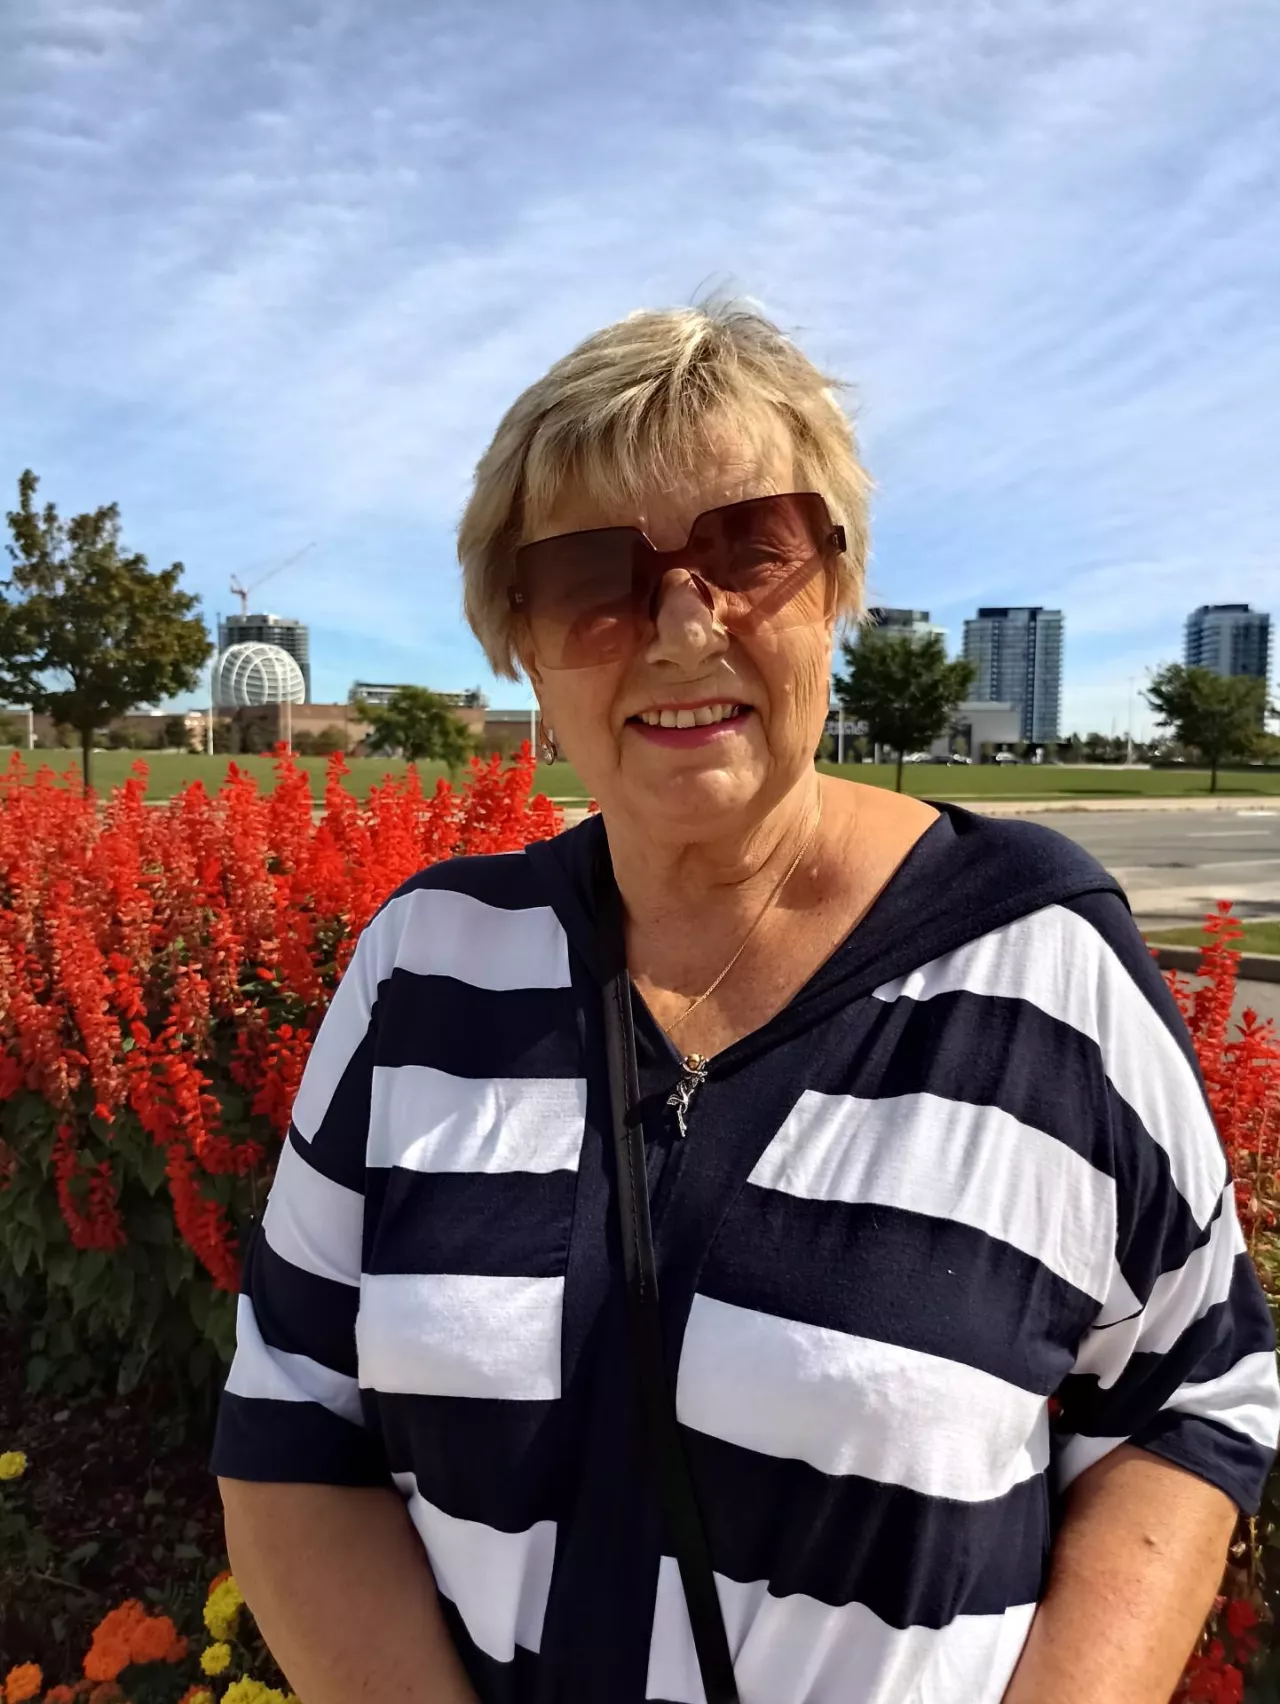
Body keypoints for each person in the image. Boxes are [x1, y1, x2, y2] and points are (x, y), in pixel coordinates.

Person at [214, 303, 1279, 1704]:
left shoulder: (1035, 963)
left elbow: (1188, 1396)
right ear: (522, 639)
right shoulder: (427, 964)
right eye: (592, 577)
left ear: (835, 585)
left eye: (749, 550)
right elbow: (294, 1418)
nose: (679, 626)